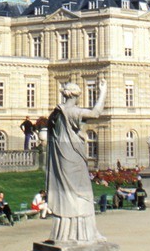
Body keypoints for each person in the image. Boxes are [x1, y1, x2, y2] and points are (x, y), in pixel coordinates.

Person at [44, 81, 108, 242]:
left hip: (62, 158)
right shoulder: (72, 111)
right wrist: (103, 92)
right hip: (74, 157)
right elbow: (96, 113)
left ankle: (65, 232)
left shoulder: (56, 113)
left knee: (67, 195)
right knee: (83, 195)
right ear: (76, 95)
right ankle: (86, 233)